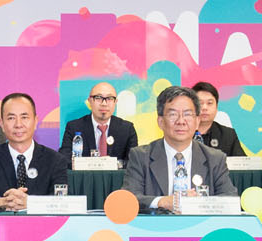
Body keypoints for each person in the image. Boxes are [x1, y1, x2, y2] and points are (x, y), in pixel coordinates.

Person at [125, 85, 237, 213]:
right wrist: (163, 201)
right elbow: (128, 199)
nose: (181, 121)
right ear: (160, 121)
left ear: (197, 121)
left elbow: (229, 199)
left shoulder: (215, 158)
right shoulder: (140, 156)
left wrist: (198, 204)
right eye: (173, 114)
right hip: (157, 225)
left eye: (187, 114)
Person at [0, 93, 69, 210]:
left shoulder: (55, 160)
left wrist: (32, 203)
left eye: (24, 117)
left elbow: (62, 198)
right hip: (1, 221)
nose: (18, 124)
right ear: (1, 124)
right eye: (11, 118)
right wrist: (0, 201)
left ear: (35, 121)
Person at [59, 80, 136, 159]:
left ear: (115, 102)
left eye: (109, 98)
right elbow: (64, 160)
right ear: (90, 101)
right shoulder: (74, 127)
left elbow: (133, 162)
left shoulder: (127, 129)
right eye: (98, 98)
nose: (104, 103)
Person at [191, 81, 248, 156]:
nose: (204, 108)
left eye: (209, 103)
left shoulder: (228, 135)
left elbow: (241, 162)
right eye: (200, 103)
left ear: (216, 107)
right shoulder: (181, 132)